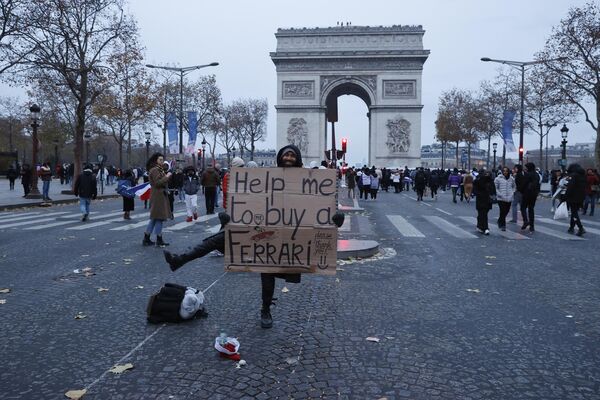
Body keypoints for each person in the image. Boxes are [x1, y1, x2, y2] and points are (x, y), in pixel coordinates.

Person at [163, 144, 345, 329]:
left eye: (292, 155)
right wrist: (229, 218)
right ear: (279, 158)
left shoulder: (310, 183)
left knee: (268, 274)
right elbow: (251, 203)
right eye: (285, 154)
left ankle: (265, 309)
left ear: (297, 159)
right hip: (261, 230)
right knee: (217, 239)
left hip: (292, 236)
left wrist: (337, 218)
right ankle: (180, 259)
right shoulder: (266, 179)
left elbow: (325, 210)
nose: (288, 157)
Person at [143, 153, 173, 247]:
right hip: (158, 195)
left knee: (154, 218)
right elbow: (157, 183)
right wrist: (167, 177)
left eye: (162, 160)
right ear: (155, 160)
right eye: (160, 160)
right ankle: (159, 239)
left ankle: (147, 238)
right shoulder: (155, 170)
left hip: (158, 195)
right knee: (159, 218)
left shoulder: (157, 169)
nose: (162, 161)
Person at [565, 163, 587, 236]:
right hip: (581, 197)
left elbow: (571, 187)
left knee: (574, 213)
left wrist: (566, 195)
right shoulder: (583, 176)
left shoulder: (573, 175)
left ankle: (580, 227)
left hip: (573, 197)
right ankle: (571, 227)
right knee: (574, 212)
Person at [473, 169, 495, 235]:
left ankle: (480, 226)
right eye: (486, 174)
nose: (486, 176)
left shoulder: (490, 181)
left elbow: (493, 190)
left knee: (482, 214)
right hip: (481, 199)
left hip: (487, 200)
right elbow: (475, 190)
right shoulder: (478, 181)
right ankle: (485, 228)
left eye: (488, 174)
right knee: (483, 214)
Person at [520, 162, 540, 232]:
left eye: (526, 167)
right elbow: (538, 184)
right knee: (531, 209)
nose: (525, 168)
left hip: (526, 193)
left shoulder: (527, 174)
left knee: (523, 207)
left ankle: (525, 220)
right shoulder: (537, 174)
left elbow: (523, 184)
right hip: (534, 194)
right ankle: (532, 226)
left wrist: (521, 190)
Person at [494, 167, 515, 231]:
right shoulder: (498, 179)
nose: (505, 172)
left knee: (507, 211)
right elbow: (495, 188)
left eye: (506, 171)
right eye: (504, 171)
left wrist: (512, 193)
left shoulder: (511, 179)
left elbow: (514, 187)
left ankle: (500, 220)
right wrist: (499, 194)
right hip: (501, 198)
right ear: (502, 172)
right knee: (502, 211)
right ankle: (503, 225)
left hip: (509, 197)